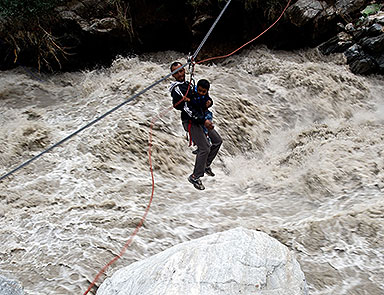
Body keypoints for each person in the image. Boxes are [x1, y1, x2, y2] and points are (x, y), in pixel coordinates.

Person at [169, 61, 222, 190]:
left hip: (200, 119)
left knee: (217, 141)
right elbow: (187, 109)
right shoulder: (177, 89)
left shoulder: (188, 84)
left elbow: (201, 97)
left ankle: (205, 165)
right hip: (192, 121)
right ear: (173, 75)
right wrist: (203, 120)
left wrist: (210, 103)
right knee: (205, 148)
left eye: (181, 70)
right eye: (177, 72)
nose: (180, 74)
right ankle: (195, 176)